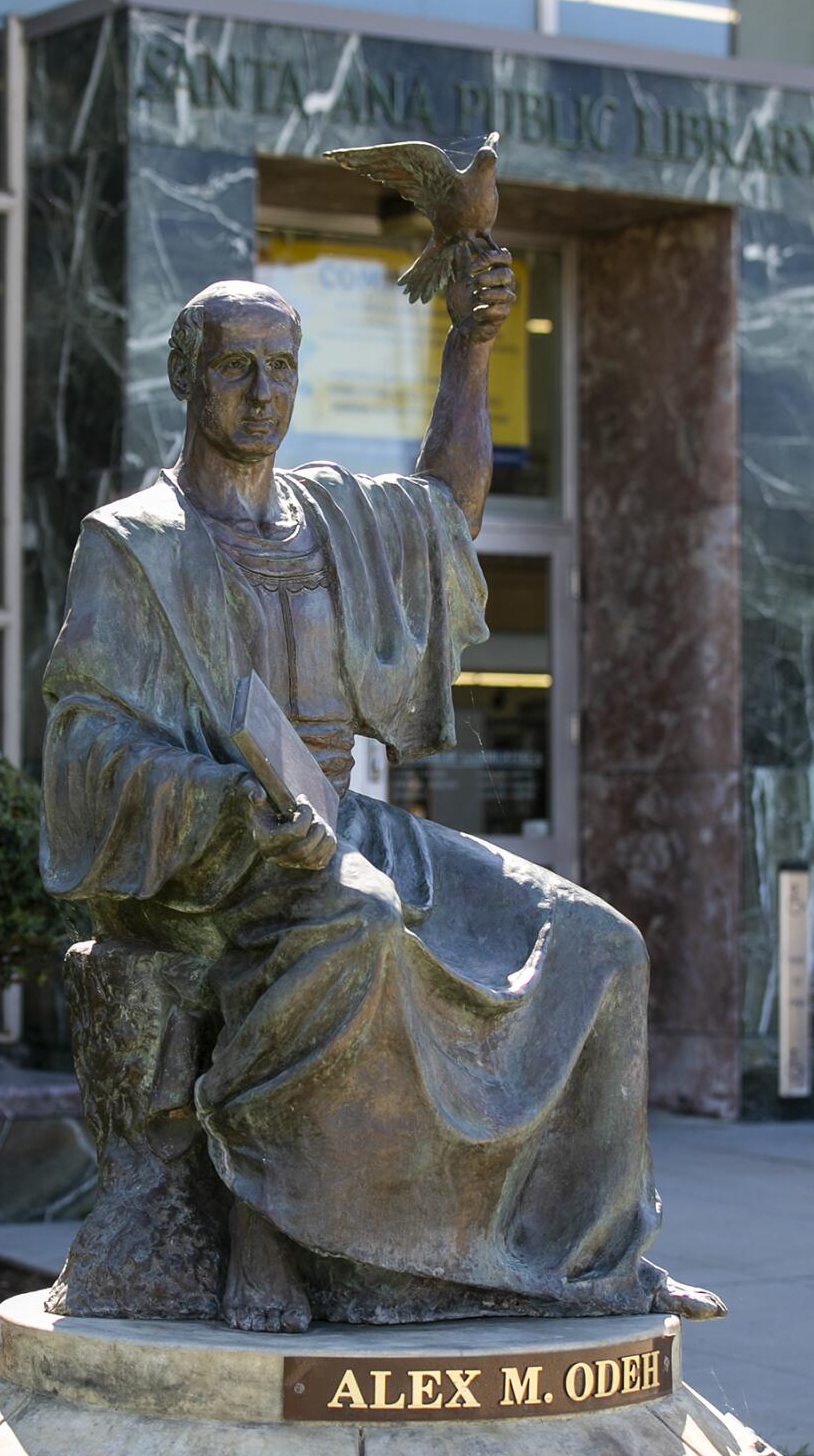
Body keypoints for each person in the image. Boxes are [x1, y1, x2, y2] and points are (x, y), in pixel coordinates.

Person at [40, 246, 725, 1332]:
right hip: (217, 849)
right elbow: (88, 751)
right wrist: (228, 808)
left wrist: (472, 343)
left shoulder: (328, 517)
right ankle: (274, 1230)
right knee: (356, 921)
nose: (264, 397)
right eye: (236, 371)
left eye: (283, 369)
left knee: (599, 944)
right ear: (187, 374)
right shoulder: (136, 547)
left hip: (339, 819)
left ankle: (585, 1259)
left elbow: (446, 505)